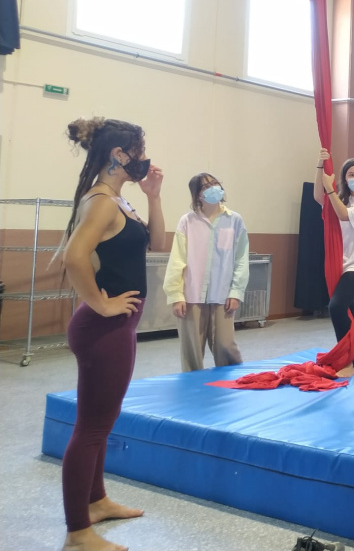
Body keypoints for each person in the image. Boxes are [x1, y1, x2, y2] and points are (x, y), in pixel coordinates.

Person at [60, 117, 168, 551]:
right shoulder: (101, 201)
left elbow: (158, 245)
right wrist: (100, 304)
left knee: (100, 423)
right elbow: (73, 257)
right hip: (104, 326)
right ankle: (78, 533)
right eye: (139, 150)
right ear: (118, 156)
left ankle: (96, 501)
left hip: (117, 324)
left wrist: (154, 197)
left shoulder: (120, 200)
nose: (145, 158)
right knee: (91, 427)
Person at [163, 173, 248, 372]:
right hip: (191, 295)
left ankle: (231, 385)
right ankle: (192, 390)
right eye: (205, 186)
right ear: (197, 195)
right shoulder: (187, 221)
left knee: (226, 345)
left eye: (215, 183)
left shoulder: (234, 220)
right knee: (191, 350)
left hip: (223, 296)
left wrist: (236, 292)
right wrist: (176, 295)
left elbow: (241, 259)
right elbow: (177, 259)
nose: (213, 188)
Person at [313, 149, 354, 378]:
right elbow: (317, 197)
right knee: (346, 311)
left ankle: (348, 362)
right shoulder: (340, 198)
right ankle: (348, 358)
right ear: (345, 179)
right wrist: (320, 167)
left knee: (337, 306)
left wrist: (330, 187)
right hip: (342, 264)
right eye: (351, 174)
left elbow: (343, 215)